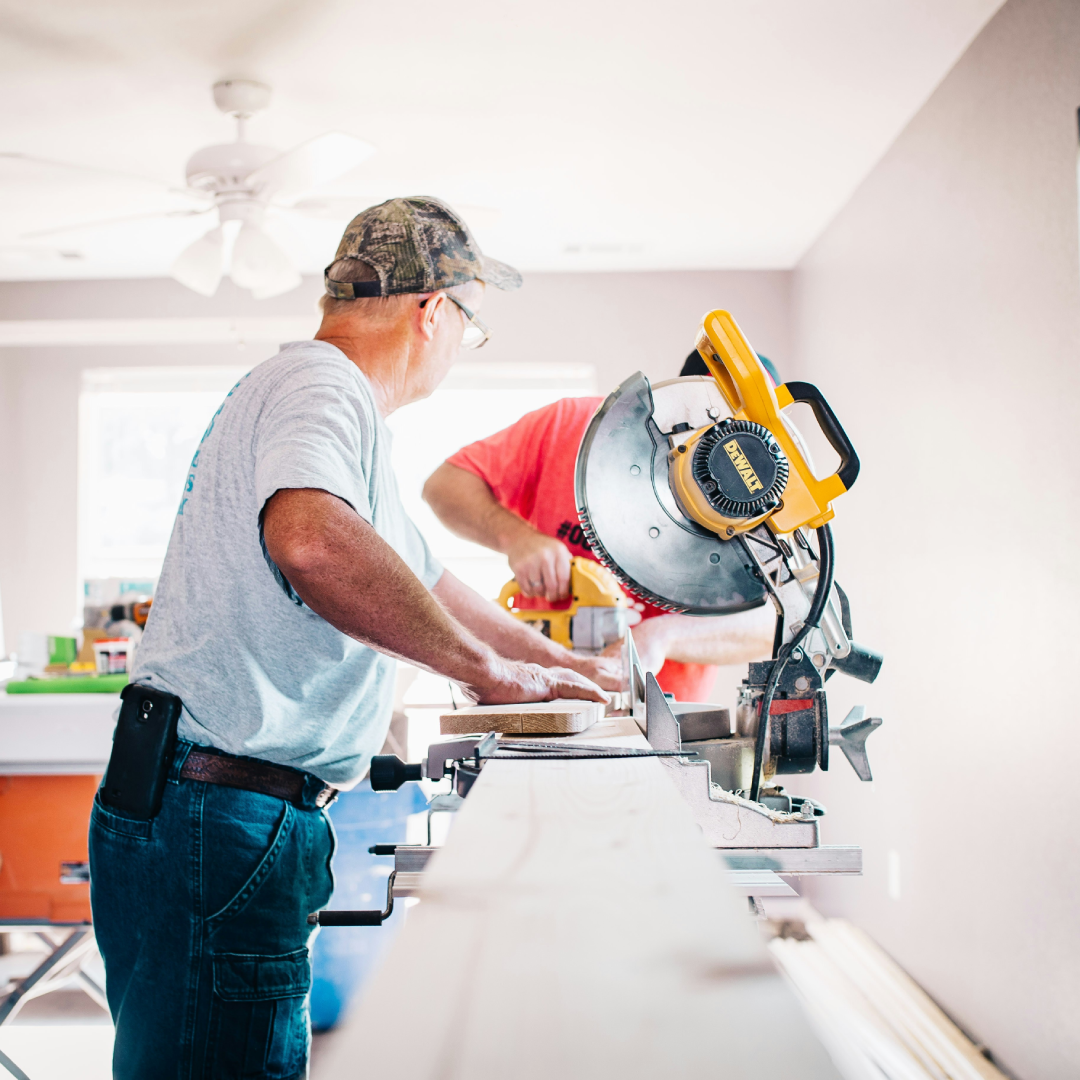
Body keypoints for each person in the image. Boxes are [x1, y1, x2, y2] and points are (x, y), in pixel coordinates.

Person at [88, 197, 619, 1080]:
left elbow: (429, 578)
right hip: (218, 814)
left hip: (210, 806)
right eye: (470, 325)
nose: (458, 344)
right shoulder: (321, 385)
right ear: (434, 310)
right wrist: (488, 674)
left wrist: (557, 665)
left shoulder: (333, 413)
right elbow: (309, 539)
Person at [422, 350, 781, 701]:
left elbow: (777, 623)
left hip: (661, 716)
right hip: (536, 691)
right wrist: (515, 537)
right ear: (676, 395)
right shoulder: (571, 426)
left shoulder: (761, 506)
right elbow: (444, 485)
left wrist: (663, 635)